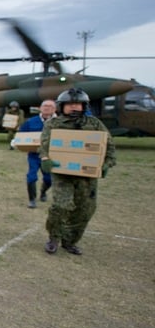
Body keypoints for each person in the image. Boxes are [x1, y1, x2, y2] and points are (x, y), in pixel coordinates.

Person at [39, 88, 116, 256]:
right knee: (61, 206)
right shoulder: (53, 124)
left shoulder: (94, 124)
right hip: (62, 175)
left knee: (84, 210)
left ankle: (70, 241)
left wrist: (106, 164)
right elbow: (44, 145)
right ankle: (54, 237)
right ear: (62, 106)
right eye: (70, 104)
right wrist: (45, 159)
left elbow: (108, 145)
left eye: (78, 104)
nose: (74, 107)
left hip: (86, 177)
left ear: (84, 106)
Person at [18, 99, 56, 208]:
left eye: (50, 106)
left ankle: (43, 192)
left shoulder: (59, 122)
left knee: (49, 178)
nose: (47, 108)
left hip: (50, 156)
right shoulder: (31, 121)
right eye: (45, 106)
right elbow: (21, 135)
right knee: (31, 177)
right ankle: (32, 200)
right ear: (40, 108)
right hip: (34, 155)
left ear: (54, 109)